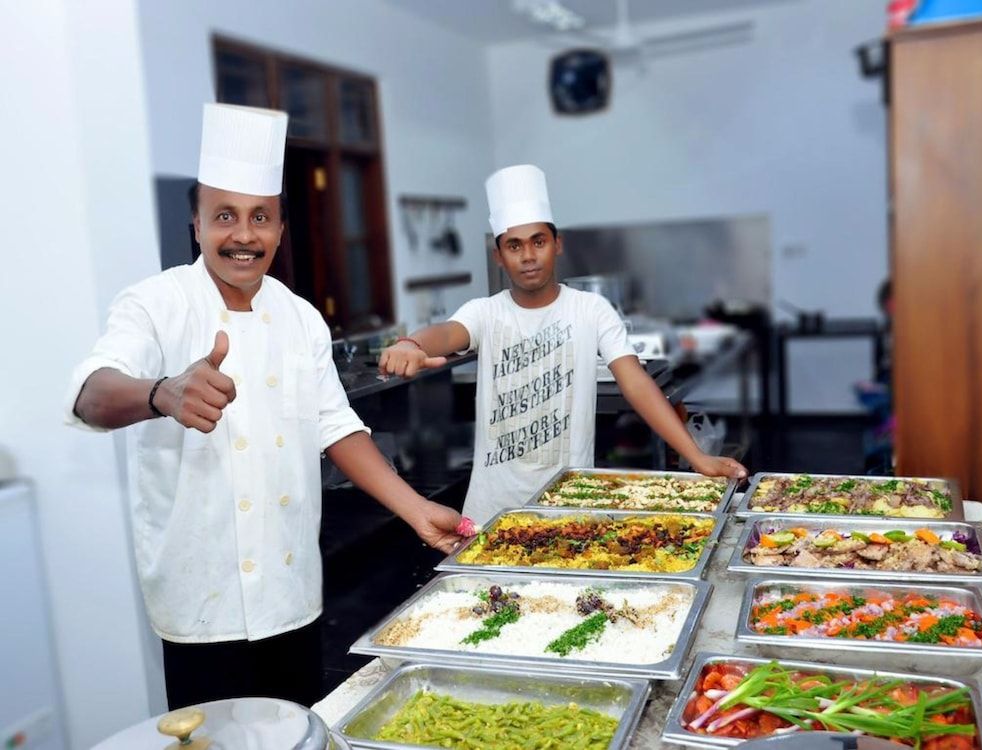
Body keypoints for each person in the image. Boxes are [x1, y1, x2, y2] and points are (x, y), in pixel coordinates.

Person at [66, 104, 467, 709]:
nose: (244, 235)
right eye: (224, 216)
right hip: (198, 602)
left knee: (298, 730)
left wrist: (415, 510)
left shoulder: (299, 316)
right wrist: (161, 392)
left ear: (281, 228)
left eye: (261, 217)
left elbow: (335, 426)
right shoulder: (155, 303)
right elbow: (91, 393)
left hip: (291, 593)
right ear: (197, 225)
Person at [380, 164, 747, 524]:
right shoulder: (486, 313)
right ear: (499, 255)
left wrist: (697, 457)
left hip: (569, 503)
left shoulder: (591, 309)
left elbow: (634, 382)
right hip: (492, 510)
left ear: (557, 244)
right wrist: (412, 343)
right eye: (514, 245)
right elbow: (446, 333)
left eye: (538, 241)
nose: (527, 256)